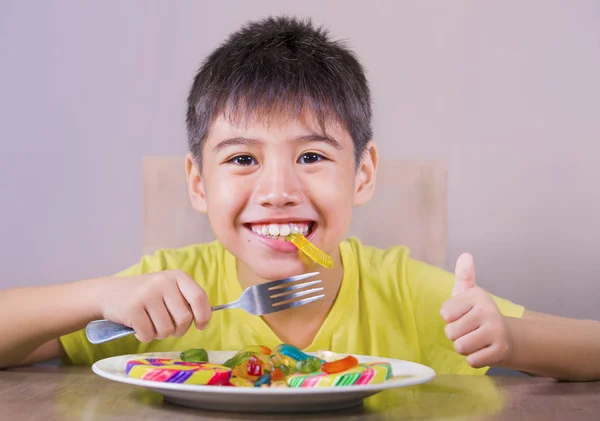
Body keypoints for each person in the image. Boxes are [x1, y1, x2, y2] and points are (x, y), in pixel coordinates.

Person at [1, 16, 598, 381]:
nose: (279, 192)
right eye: (242, 160)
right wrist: (99, 295)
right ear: (198, 182)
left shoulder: (408, 292)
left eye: (312, 157)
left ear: (363, 174)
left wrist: (512, 340)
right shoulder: (164, 291)